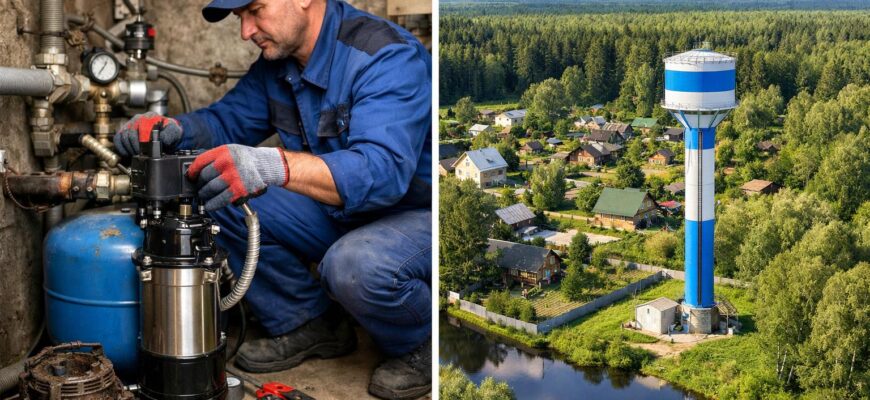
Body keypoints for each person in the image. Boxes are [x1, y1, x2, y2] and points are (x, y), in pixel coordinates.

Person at [113, 0, 431, 398]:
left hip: (414, 216)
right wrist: (172, 128)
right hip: (339, 211)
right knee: (215, 191)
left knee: (355, 265)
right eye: (239, 18)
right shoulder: (278, 66)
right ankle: (309, 321)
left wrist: (273, 164)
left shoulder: (385, 56)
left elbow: (382, 173)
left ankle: (423, 344)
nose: (246, 31)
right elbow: (224, 122)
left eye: (255, 10)